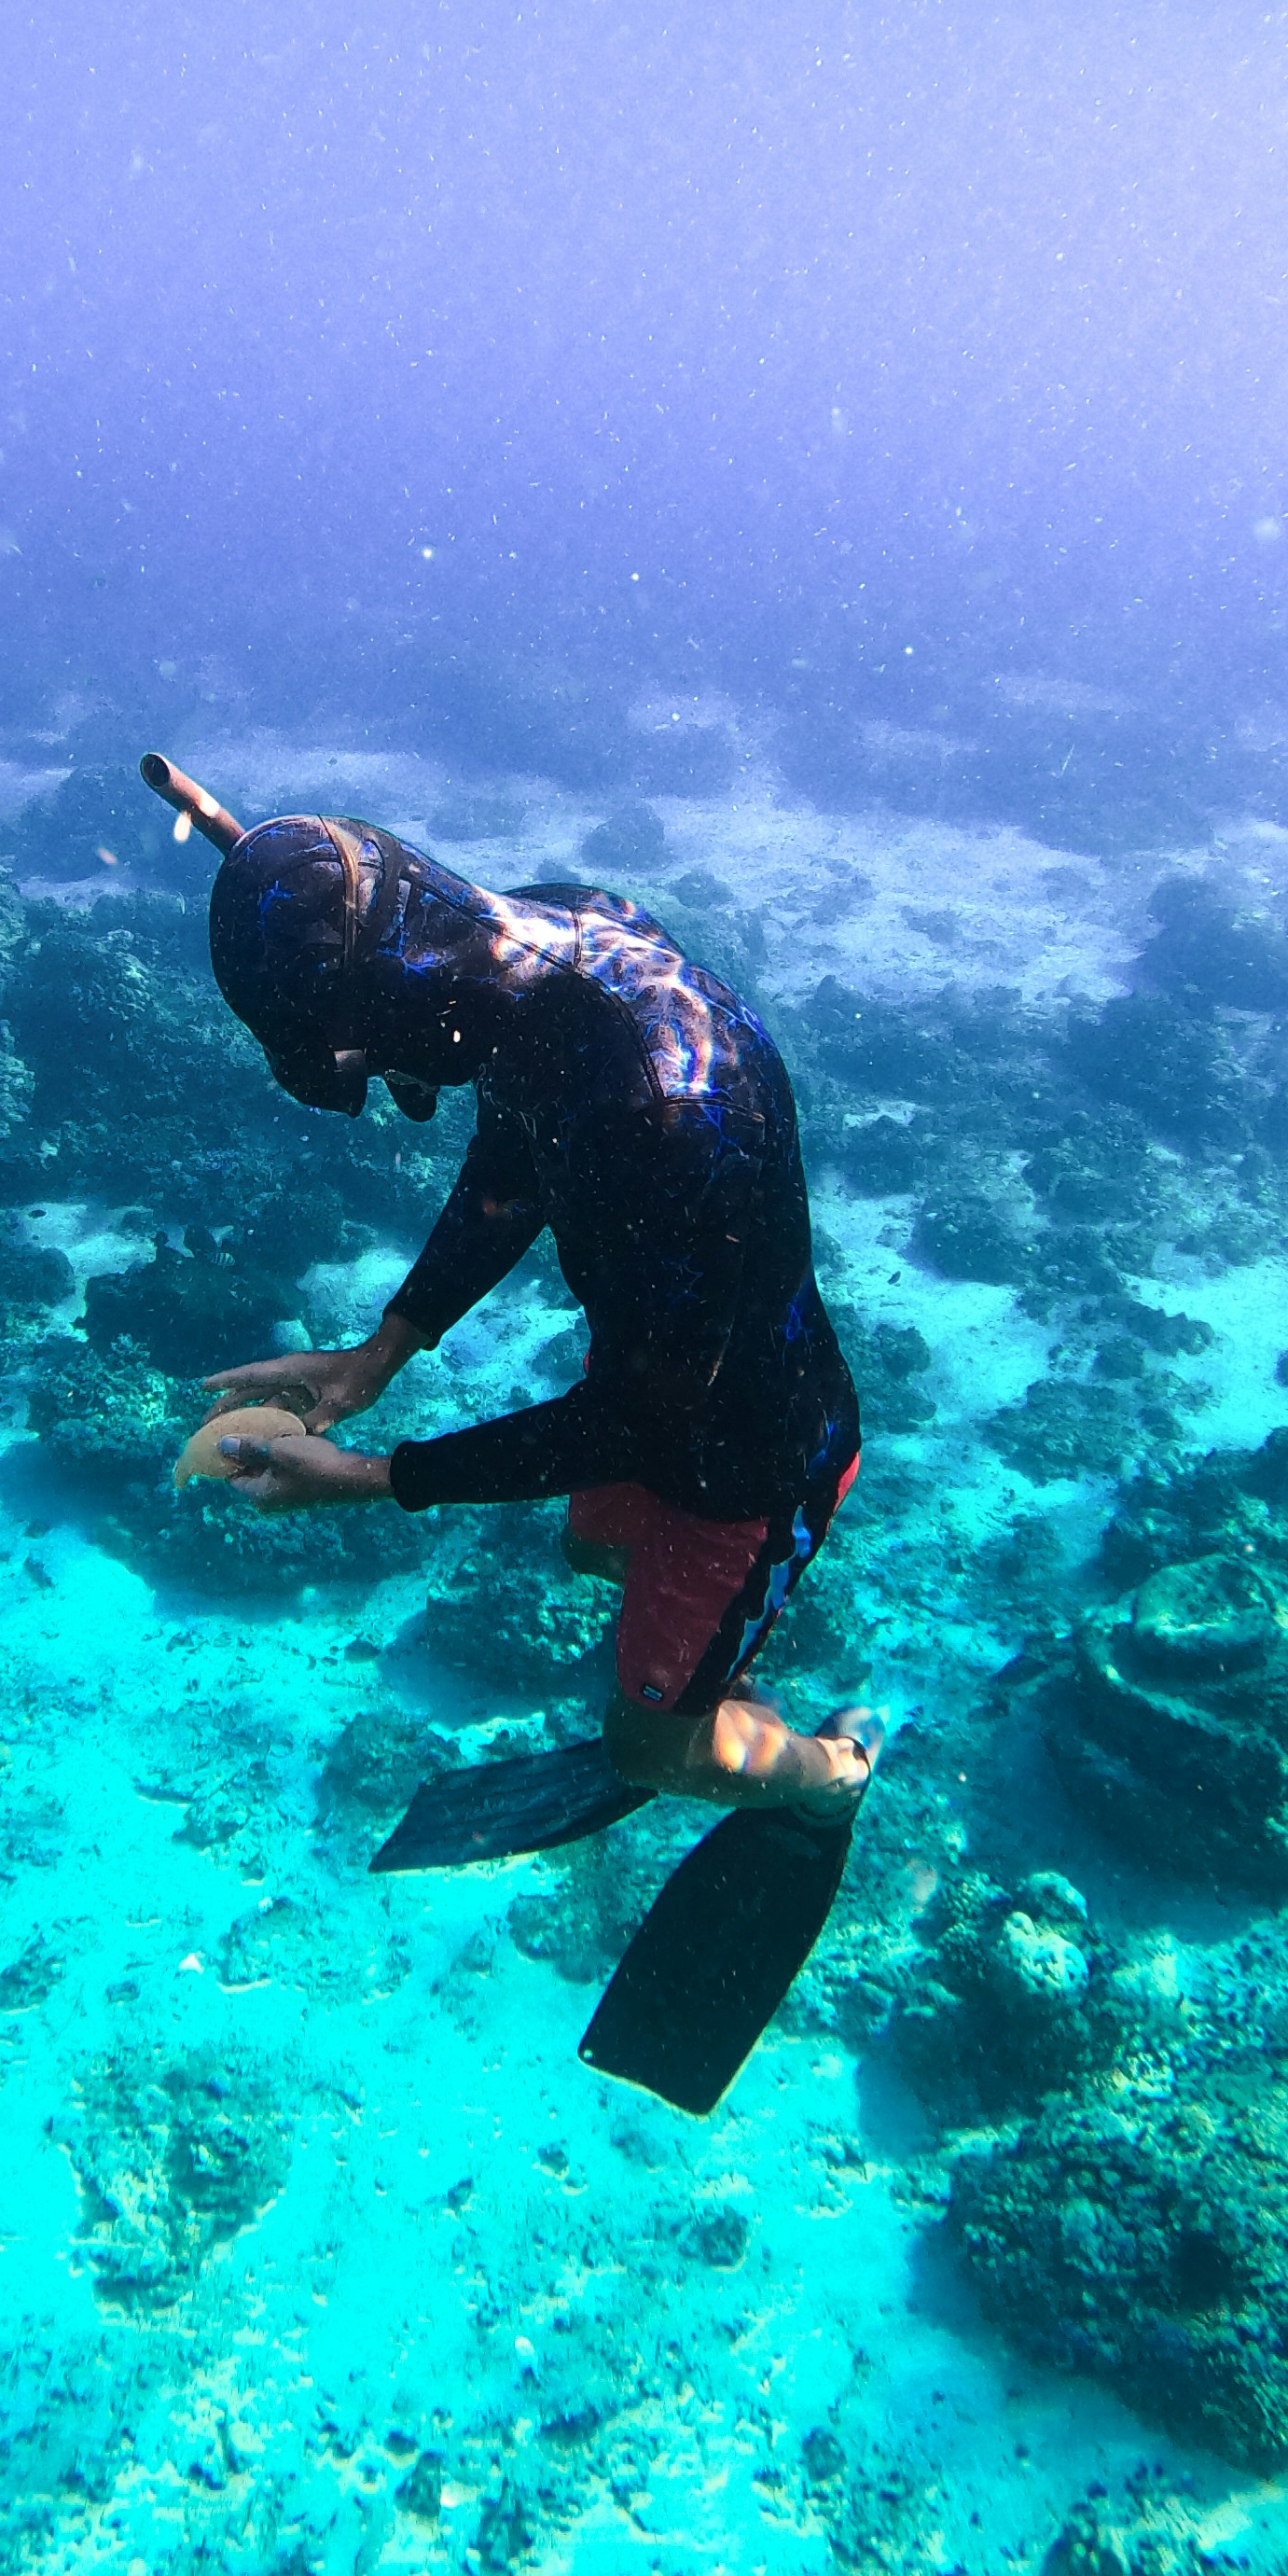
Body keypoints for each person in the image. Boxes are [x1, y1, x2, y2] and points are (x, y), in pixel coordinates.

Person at [148, 762, 881, 1818]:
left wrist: (362, 1477)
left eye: (372, 1066)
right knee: (592, 1549)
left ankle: (832, 1774)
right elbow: (516, 1160)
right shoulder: (540, 948)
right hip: (663, 1355)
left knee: (649, 1755)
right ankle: (714, 1664)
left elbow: (635, 1424)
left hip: (750, 1451)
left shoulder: (661, 1112)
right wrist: (378, 1355)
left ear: (400, 999)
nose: (398, 1092)